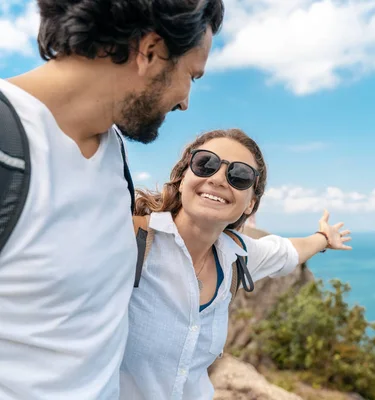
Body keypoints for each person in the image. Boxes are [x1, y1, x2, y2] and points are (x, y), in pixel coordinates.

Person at [0, 1, 223, 399]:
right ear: (151, 51)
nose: (186, 101)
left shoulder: (112, 148)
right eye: (191, 75)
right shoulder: (9, 146)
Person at [120, 128, 353, 400]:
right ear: (182, 180)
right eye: (205, 164)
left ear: (250, 204)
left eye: (239, 176)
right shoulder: (129, 240)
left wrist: (324, 237)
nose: (218, 179)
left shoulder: (236, 257)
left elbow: (289, 251)